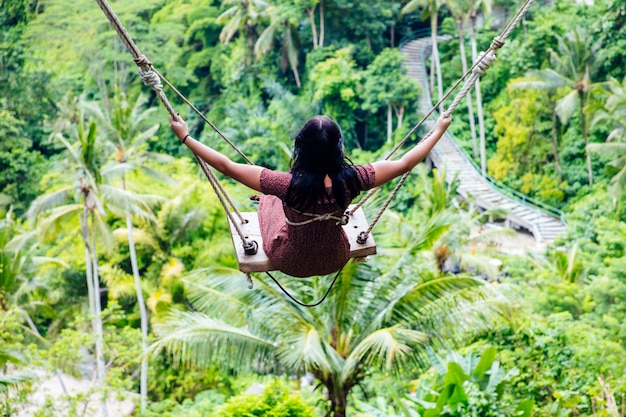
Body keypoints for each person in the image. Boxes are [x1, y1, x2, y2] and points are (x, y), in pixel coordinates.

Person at [170, 112, 452, 277]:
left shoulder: (286, 185)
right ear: (338, 149)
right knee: (276, 199)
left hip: (288, 260)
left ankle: (267, 203)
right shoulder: (353, 179)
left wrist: (185, 137)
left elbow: (226, 166)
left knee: (270, 201)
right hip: (335, 257)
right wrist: (438, 130)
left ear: (300, 147)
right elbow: (405, 163)